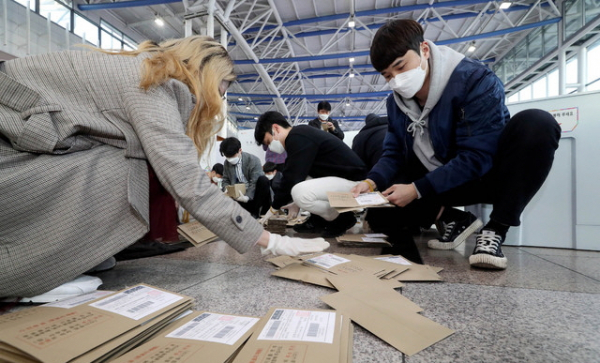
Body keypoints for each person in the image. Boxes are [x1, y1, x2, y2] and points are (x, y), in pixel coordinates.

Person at [0, 36, 329, 299]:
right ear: (204, 74)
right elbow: (187, 183)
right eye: (219, 89)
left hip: (24, 147)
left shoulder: (148, 72)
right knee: (126, 167)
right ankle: (35, 270)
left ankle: (70, 253)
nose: (215, 99)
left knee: (132, 160)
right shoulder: (151, 85)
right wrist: (271, 241)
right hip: (11, 157)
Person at [351, 19, 561, 270]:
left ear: (424, 50)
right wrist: (370, 182)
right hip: (440, 179)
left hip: (488, 174)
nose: (396, 80)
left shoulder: (474, 80)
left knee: (537, 123)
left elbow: (479, 155)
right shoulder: (395, 103)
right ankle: (455, 219)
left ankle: (495, 230)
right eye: (387, 75)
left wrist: (417, 189)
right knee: (381, 213)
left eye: (400, 66)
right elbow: (393, 153)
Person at [255, 111, 367, 238]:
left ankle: (342, 218)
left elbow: (291, 178)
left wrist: (273, 208)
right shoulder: (300, 135)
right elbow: (302, 175)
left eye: (269, 141)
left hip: (355, 183)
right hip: (343, 179)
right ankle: (317, 221)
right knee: (301, 184)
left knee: (299, 192)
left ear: (275, 128)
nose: (271, 147)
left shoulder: (298, 137)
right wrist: (295, 204)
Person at [220, 137, 271, 218]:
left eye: (232, 156)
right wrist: (227, 189)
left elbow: (254, 182)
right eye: (227, 156)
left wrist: (247, 197)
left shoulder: (253, 160)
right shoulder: (227, 163)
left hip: (254, 196)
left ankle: (256, 212)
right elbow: (225, 180)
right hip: (238, 195)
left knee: (263, 180)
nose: (230, 159)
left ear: (240, 150)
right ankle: (238, 213)